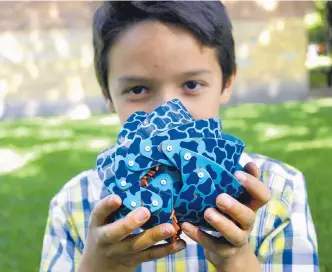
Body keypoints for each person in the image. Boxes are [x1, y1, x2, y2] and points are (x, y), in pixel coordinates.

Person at [40, 1, 319, 271]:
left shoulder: (281, 190)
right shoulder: (74, 205)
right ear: (108, 96)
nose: (168, 112)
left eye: (191, 84)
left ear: (226, 83)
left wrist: (236, 260)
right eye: (138, 89)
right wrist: (101, 267)